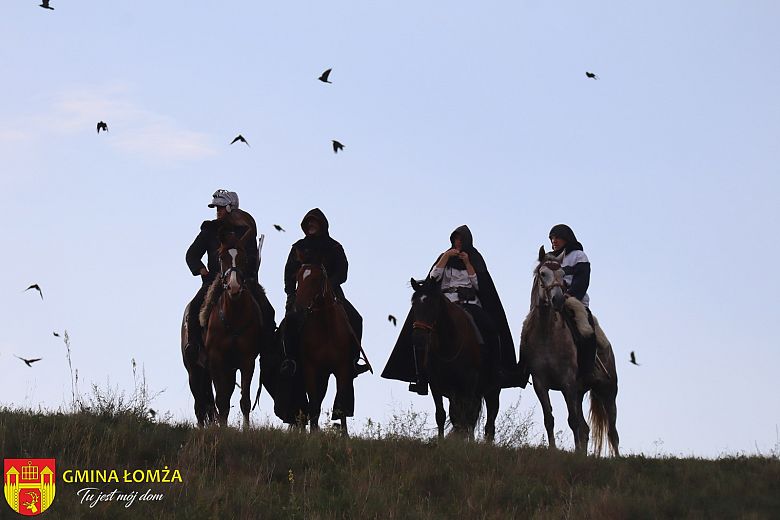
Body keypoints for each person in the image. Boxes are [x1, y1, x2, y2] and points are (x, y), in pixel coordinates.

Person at [383, 225, 522, 395]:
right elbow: (433, 279)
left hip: (469, 303)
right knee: (419, 326)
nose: (458, 242)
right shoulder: (444, 257)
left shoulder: (475, 258)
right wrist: (445, 257)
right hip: (445, 304)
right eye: (455, 239)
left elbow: (480, 285)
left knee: (490, 327)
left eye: (461, 239)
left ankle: (496, 371)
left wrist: (467, 263)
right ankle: (420, 376)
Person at [184, 189, 275, 364]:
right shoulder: (209, 230)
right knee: (194, 308)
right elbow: (192, 255)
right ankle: (194, 347)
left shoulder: (245, 231)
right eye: (215, 208)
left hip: (242, 280)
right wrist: (201, 270)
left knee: (268, 310)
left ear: (230, 208)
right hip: (213, 282)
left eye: (219, 208)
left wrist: (242, 274)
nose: (217, 212)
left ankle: (269, 351)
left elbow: (252, 257)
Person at [281, 208, 369, 378]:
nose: (311, 225)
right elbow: (289, 272)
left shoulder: (334, 247)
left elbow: (342, 271)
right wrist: (291, 295)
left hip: (332, 293)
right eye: (308, 223)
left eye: (314, 222)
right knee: (290, 322)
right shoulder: (298, 247)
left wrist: (329, 284)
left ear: (322, 225)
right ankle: (289, 360)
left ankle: (353, 361)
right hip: (303, 294)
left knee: (356, 318)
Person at [548, 223, 598, 376]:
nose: (553, 241)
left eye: (557, 238)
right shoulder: (549, 259)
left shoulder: (578, 256)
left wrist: (571, 294)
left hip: (574, 301)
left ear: (566, 239)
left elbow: (582, 280)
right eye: (551, 238)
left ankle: (588, 370)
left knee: (587, 332)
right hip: (552, 301)